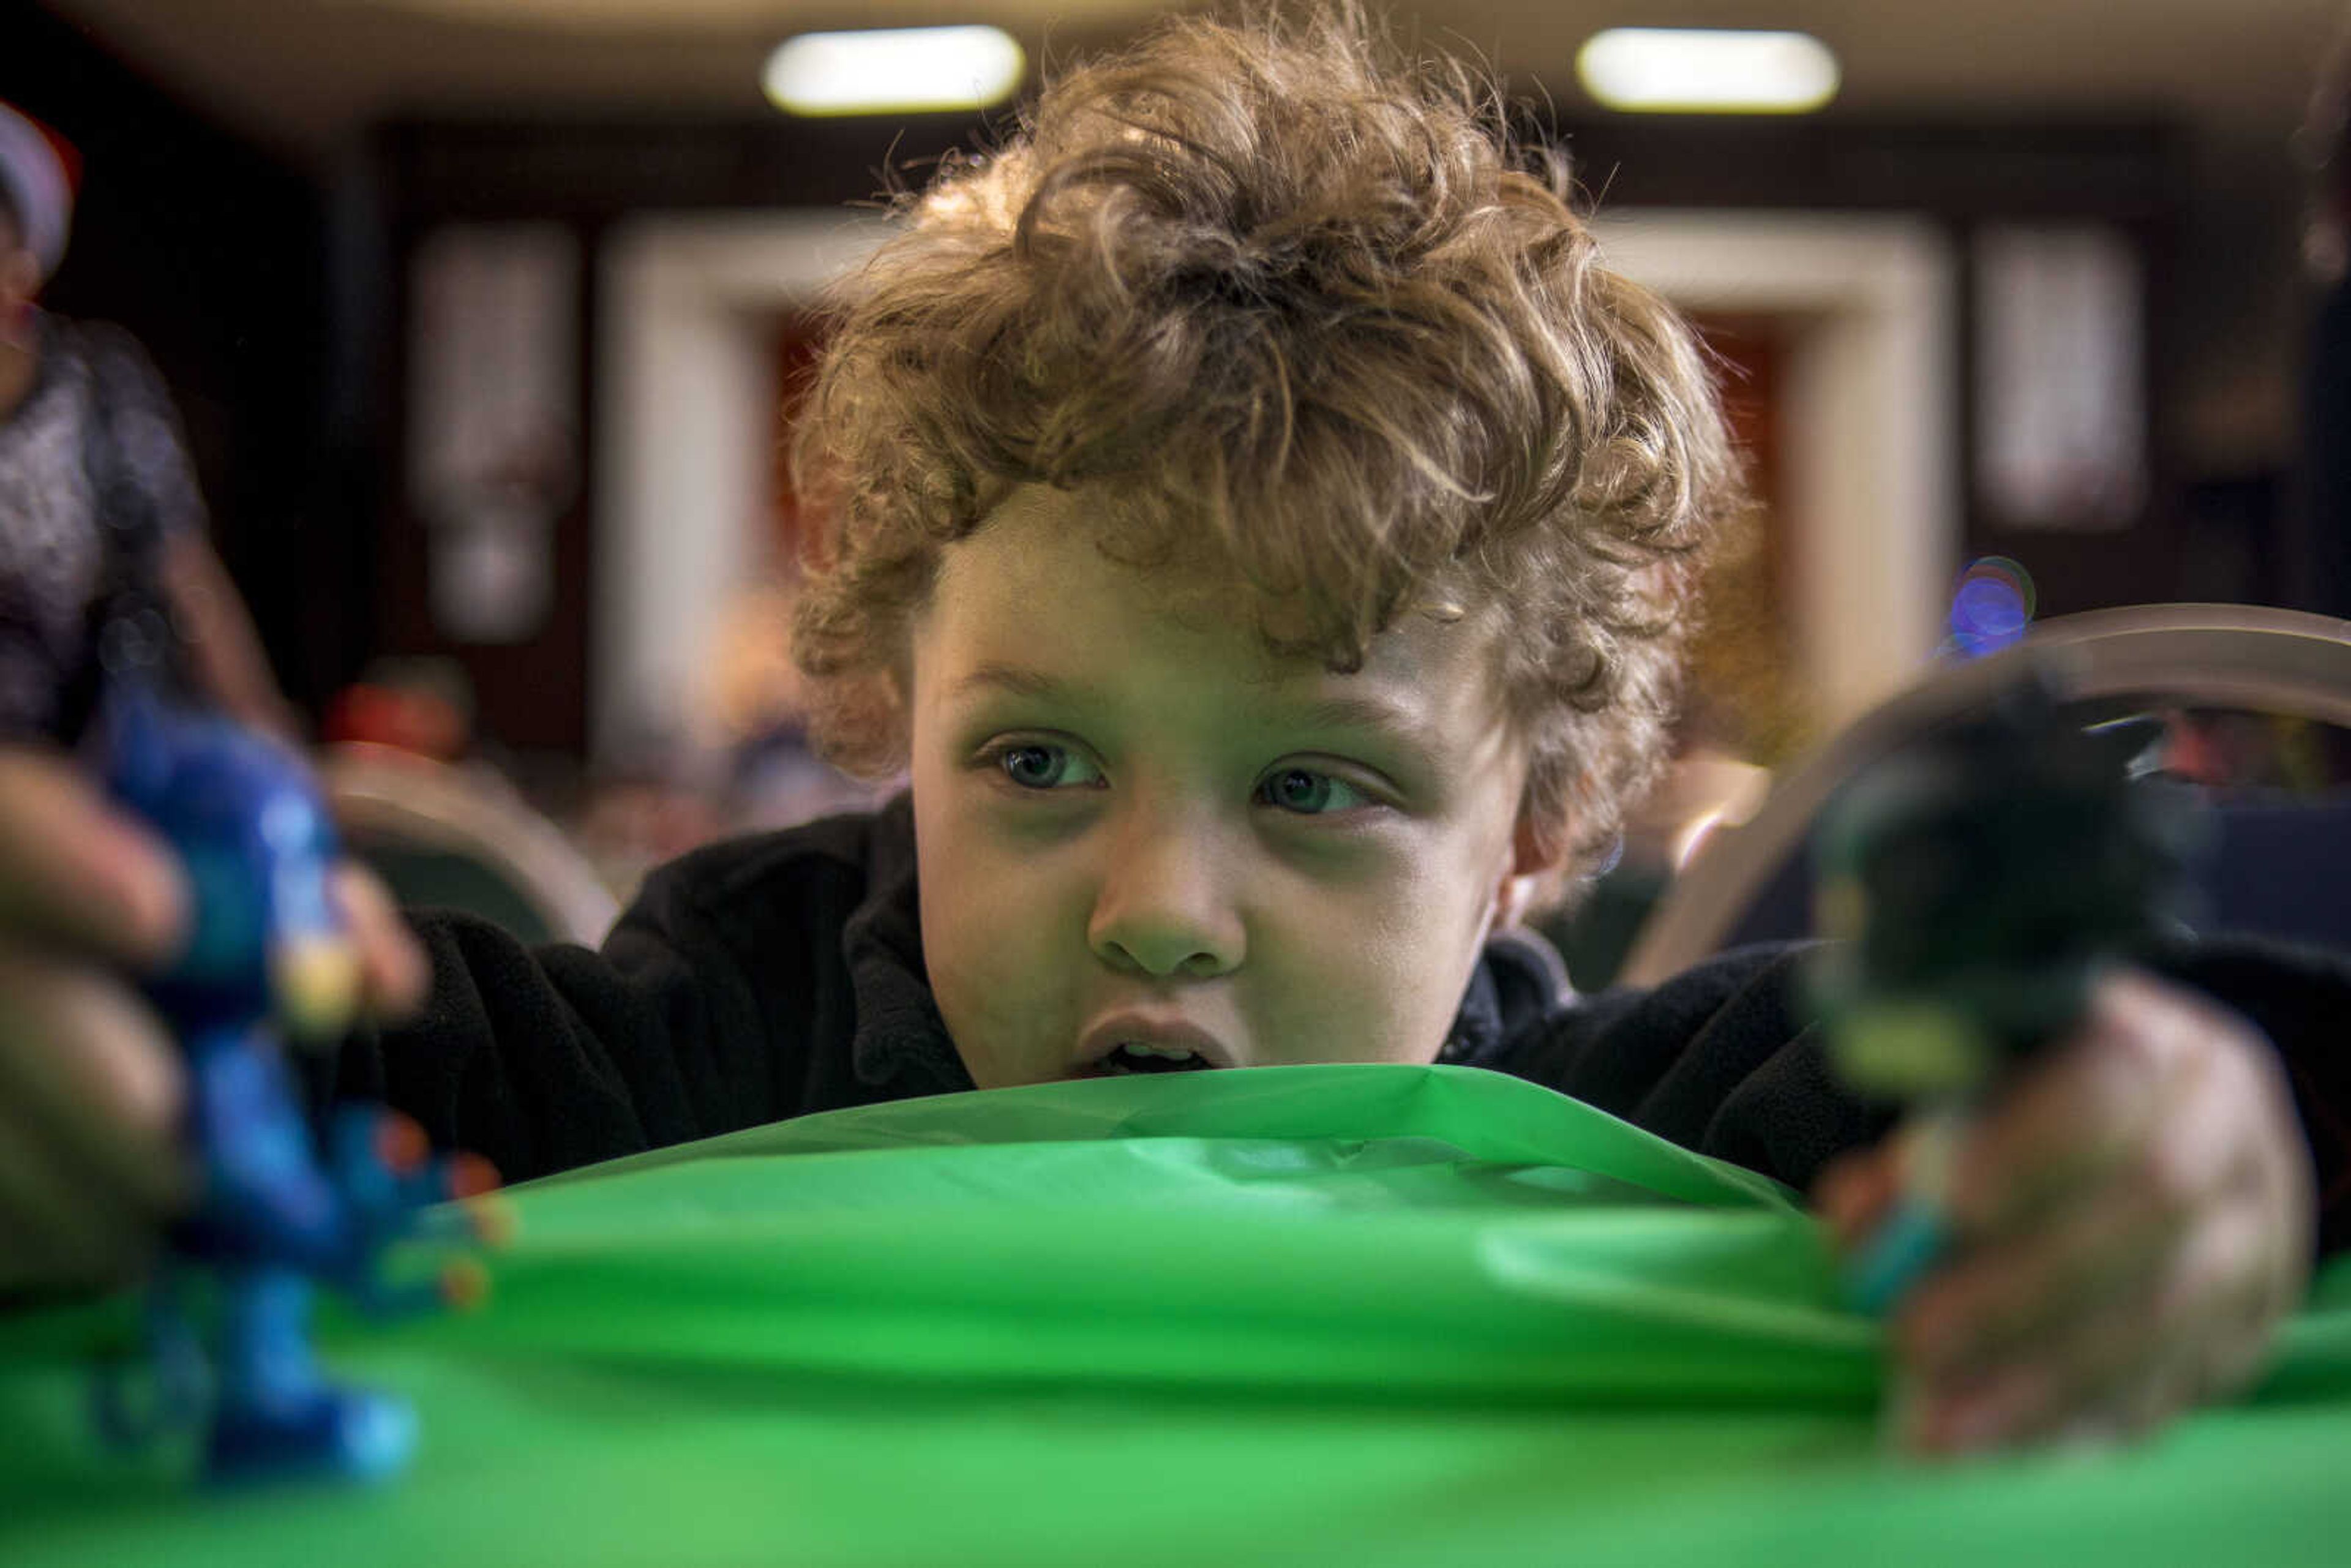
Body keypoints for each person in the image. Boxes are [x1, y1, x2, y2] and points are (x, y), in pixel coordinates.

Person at [0, 7, 2336, 1463]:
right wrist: (106, 1060)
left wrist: (2198, 1110)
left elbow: (1967, 1064)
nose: (1151, 905)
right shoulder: (693, 1050)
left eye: (1318, 784)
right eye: (1029, 760)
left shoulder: (1633, 1118)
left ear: (1535, 821)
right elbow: (322, 1076)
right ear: (895, 706)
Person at [0, 99, 294, 745]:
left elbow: (182, 569)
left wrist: (264, 732)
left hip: (96, 742)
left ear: (23, 261)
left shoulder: (93, 381)